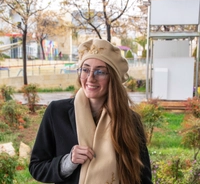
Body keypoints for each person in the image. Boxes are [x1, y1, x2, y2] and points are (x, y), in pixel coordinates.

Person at [29, 39, 152, 184]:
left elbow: (143, 177)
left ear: (112, 78)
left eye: (100, 72)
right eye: (85, 69)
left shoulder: (130, 120)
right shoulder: (57, 112)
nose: (90, 78)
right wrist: (67, 163)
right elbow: (36, 167)